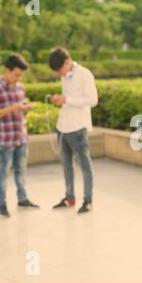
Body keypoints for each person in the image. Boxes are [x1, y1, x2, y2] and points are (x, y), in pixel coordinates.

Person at [0, 53, 39, 217]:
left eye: (20, 75)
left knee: (21, 171)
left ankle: (22, 199)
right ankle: (2, 204)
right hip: (5, 140)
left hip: (21, 138)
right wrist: (11, 108)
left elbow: (20, 113)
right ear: (6, 70)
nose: (18, 78)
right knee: (2, 173)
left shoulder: (20, 88)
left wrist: (25, 109)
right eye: (16, 74)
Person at [48, 47, 98, 214]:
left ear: (67, 62)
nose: (59, 74)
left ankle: (88, 200)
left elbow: (92, 100)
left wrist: (67, 99)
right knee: (66, 165)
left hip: (78, 127)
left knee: (84, 165)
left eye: (59, 70)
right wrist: (61, 100)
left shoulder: (85, 74)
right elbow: (68, 100)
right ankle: (70, 197)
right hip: (62, 126)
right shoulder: (65, 76)